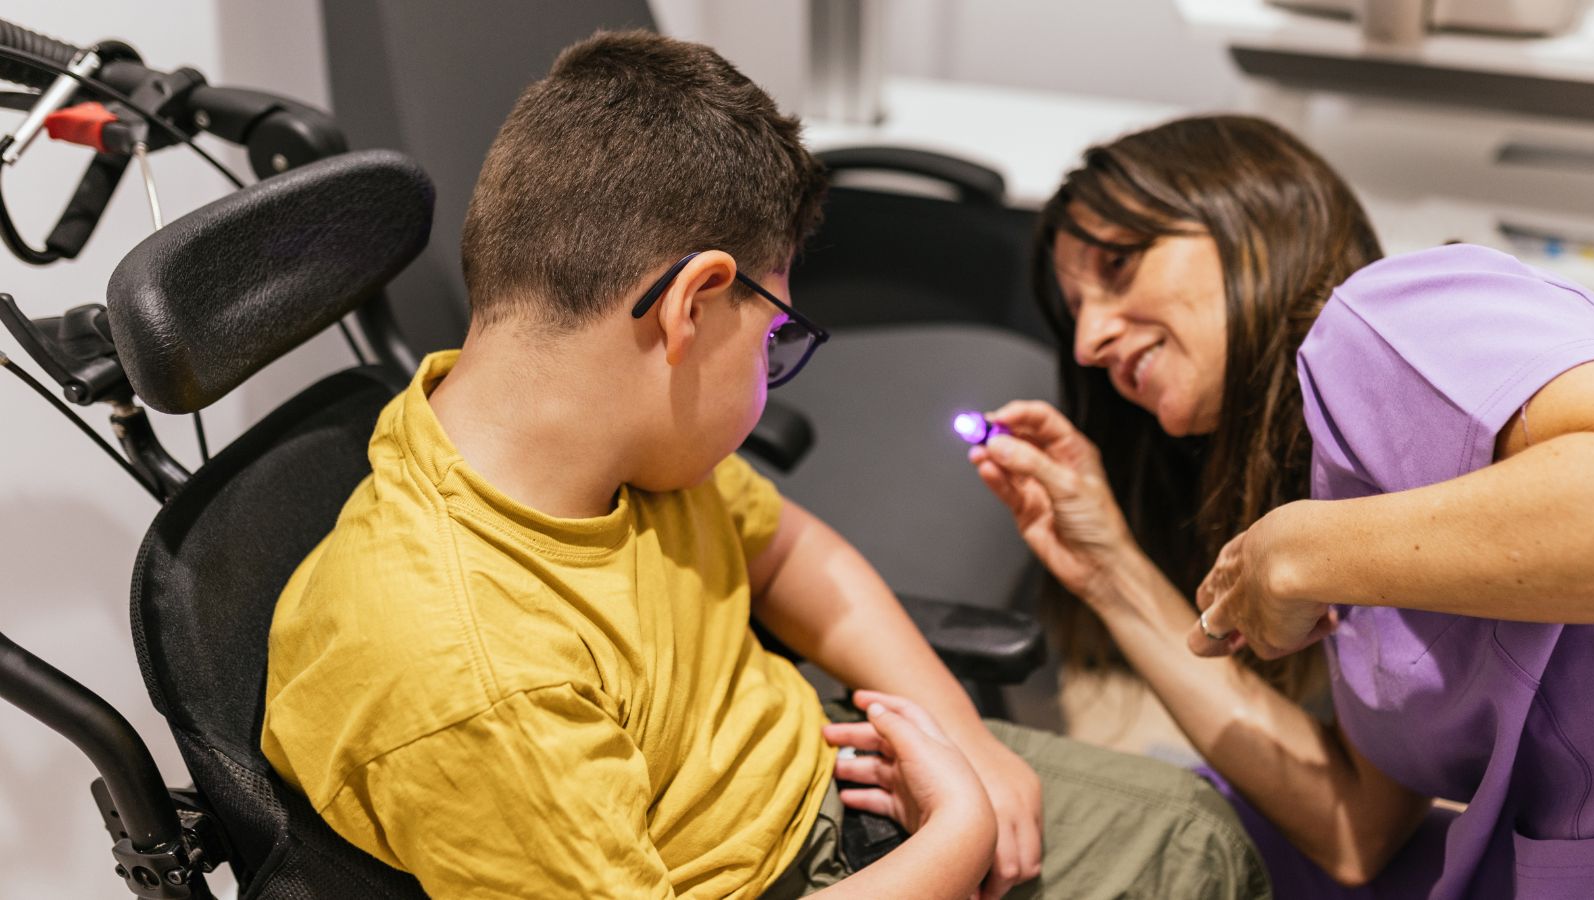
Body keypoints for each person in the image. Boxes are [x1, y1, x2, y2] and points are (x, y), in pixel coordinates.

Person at [259, 30, 1269, 900]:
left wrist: (966, 735)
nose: (771, 374)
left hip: (821, 776)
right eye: (775, 336)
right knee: (1197, 856)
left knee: (1195, 832)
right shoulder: (476, 680)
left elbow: (786, 550)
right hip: (800, 869)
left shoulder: (588, 447)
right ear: (694, 305)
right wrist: (959, 831)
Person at [969, 114, 1594, 899]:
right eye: (1075, 313)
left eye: (1119, 267)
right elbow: (1355, 827)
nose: (1090, 341)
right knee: (1192, 812)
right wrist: (1109, 569)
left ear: (1250, 222)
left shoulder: (1383, 314)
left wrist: (1300, 552)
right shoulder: (1345, 471)